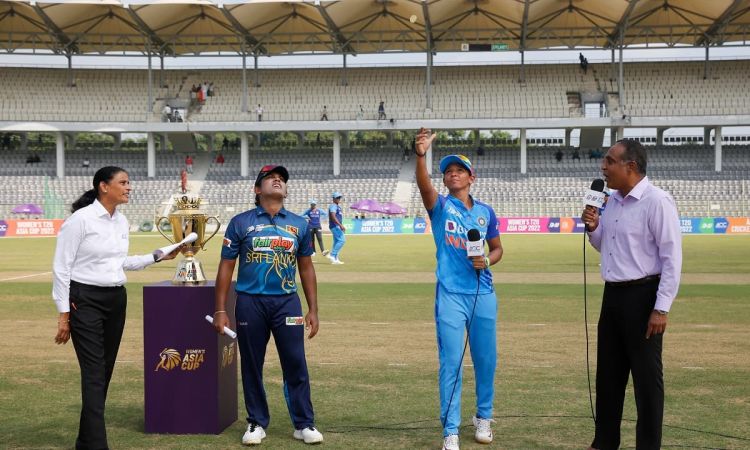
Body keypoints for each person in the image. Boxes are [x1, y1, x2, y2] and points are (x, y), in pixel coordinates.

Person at [52, 166, 179, 450]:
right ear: (103, 187)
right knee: (94, 372)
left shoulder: (120, 222)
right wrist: (64, 314)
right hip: (84, 300)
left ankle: (86, 441)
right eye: (123, 182)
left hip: (115, 300)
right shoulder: (80, 220)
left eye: (129, 182)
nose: (129, 187)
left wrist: (157, 256)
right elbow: (61, 268)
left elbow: (120, 263)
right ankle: (96, 445)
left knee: (104, 371)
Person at [581, 139, 682, 450]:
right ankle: (605, 442)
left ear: (631, 167)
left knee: (646, 383)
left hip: (644, 298)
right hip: (612, 297)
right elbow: (606, 247)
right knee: (608, 378)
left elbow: (671, 258)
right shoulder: (610, 201)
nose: (603, 167)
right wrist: (594, 227)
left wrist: (661, 308)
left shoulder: (657, 201)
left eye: (610, 161)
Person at [213, 164, 323, 446]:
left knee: (295, 362)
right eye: (270, 178)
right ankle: (256, 422)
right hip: (250, 302)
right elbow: (226, 268)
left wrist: (313, 309)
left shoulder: (299, 224)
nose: (278, 181)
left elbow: (307, 268)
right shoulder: (240, 222)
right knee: (252, 364)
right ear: (257, 189)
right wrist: (221, 309)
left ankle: (304, 423)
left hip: (287, 303)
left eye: (282, 179)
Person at [414, 128, 503, 450]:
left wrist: (488, 261)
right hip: (451, 294)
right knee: (451, 362)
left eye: (459, 170)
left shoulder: (485, 212)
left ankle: (483, 418)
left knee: (485, 360)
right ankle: (450, 430)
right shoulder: (439, 206)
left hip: (483, 293)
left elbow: (497, 249)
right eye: (448, 171)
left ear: (471, 177)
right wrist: (421, 155)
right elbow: (424, 185)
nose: (452, 174)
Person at [327, 192, 346, 264]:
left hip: (336, 225)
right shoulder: (333, 206)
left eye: (339, 197)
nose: (339, 199)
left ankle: (335, 259)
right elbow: (333, 216)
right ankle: (332, 255)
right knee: (342, 240)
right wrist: (340, 225)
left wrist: (340, 225)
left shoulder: (337, 206)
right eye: (337, 197)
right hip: (335, 225)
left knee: (336, 241)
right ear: (334, 198)